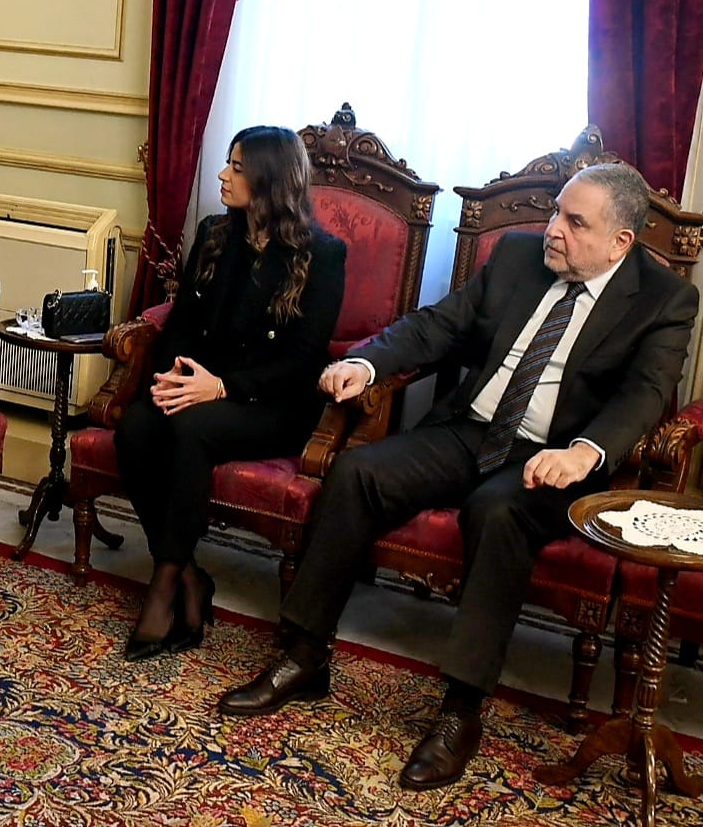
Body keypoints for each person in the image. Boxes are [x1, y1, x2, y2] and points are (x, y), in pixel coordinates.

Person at [218, 162, 699, 790]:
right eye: (556, 212)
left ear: (620, 242)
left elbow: (646, 393)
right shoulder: (519, 257)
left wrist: (585, 452)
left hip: (555, 459)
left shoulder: (664, 300)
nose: (553, 228)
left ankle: (461, 711)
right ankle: (304, 655)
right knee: (358, 471)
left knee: (497, 512)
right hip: (471, 430)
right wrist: (368, 364)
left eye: (574, 222)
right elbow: (437, 325)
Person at [114, 126, 346, 662]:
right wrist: (175, 377)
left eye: (237, 167)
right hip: (202, 386)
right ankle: (190, 574)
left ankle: (165, 582)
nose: (222, 175)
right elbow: (181, 324)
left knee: (190, 429)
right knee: (136, 426)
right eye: (228, 163)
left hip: (273, 405)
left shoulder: (323, 255)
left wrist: (221, 387)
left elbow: (304, 360)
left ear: (268, 179)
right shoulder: (216, 233)